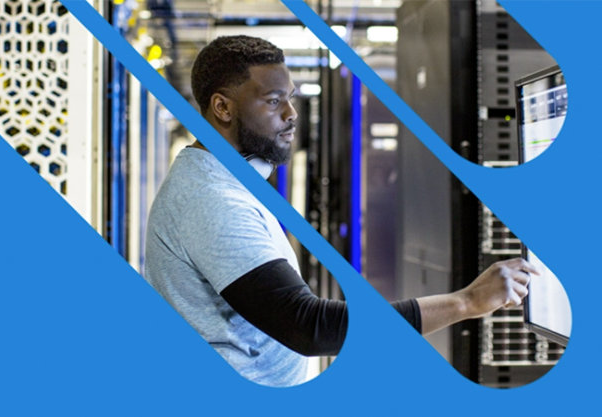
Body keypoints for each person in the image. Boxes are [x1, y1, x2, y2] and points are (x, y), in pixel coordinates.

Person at [144, 35, 538, 387]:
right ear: (222, 108)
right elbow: (309, 326)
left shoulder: (223, 181)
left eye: (291, 98)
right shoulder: (213, 201)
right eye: (273, 100)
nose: (291, 114)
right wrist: (466, 302)